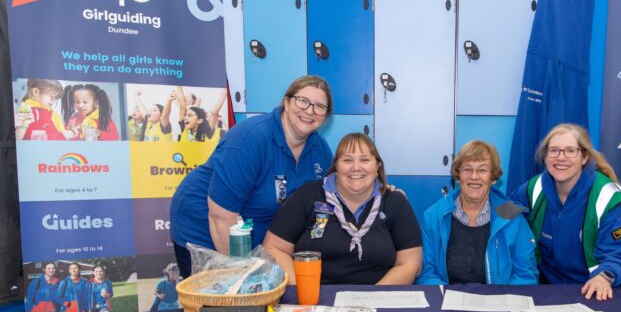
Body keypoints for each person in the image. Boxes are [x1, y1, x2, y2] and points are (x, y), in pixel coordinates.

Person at [170, 76, 335, 278]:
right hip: (207, 229)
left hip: (256, 237)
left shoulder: (320, 150)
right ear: (286, 102)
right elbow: (221, 216)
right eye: (302, 101)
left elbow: (335, 195)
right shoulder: (251, 138)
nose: (310, 110)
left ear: (326, 116)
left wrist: (379, 192)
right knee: (221, 306)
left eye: (320, 107)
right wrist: (241, 276)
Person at [264, 133, 422, 285]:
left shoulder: (395, 202)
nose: (356, 167)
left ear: (377, 166)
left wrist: (373, 300)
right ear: (336, 166)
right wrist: (303, 290)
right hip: (316, 300)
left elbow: (410, 264)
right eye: (347, 160)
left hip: (378, 299)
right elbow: (274, 248)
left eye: (365, 160)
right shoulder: (307, 196)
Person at [511, 123, 621, 301]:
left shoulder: (606, 196)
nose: (560, 157)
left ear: (584, 157)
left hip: (593, 290)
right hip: (547, 289)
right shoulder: (535, 187)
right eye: (554, 150)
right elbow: (505, 215)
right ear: (545, 156)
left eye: (570, 150)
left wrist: (604, 277)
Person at [418, 140, 537, 285]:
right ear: (458, 174)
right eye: (467, 169)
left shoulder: (512, 216)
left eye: (482, 170)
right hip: (448, 300)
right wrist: (447, 298)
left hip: (498, 302)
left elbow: (525, 275)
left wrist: (499, 302)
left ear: (493, 177)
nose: (474, 176)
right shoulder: (434, 216)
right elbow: (427, 273)